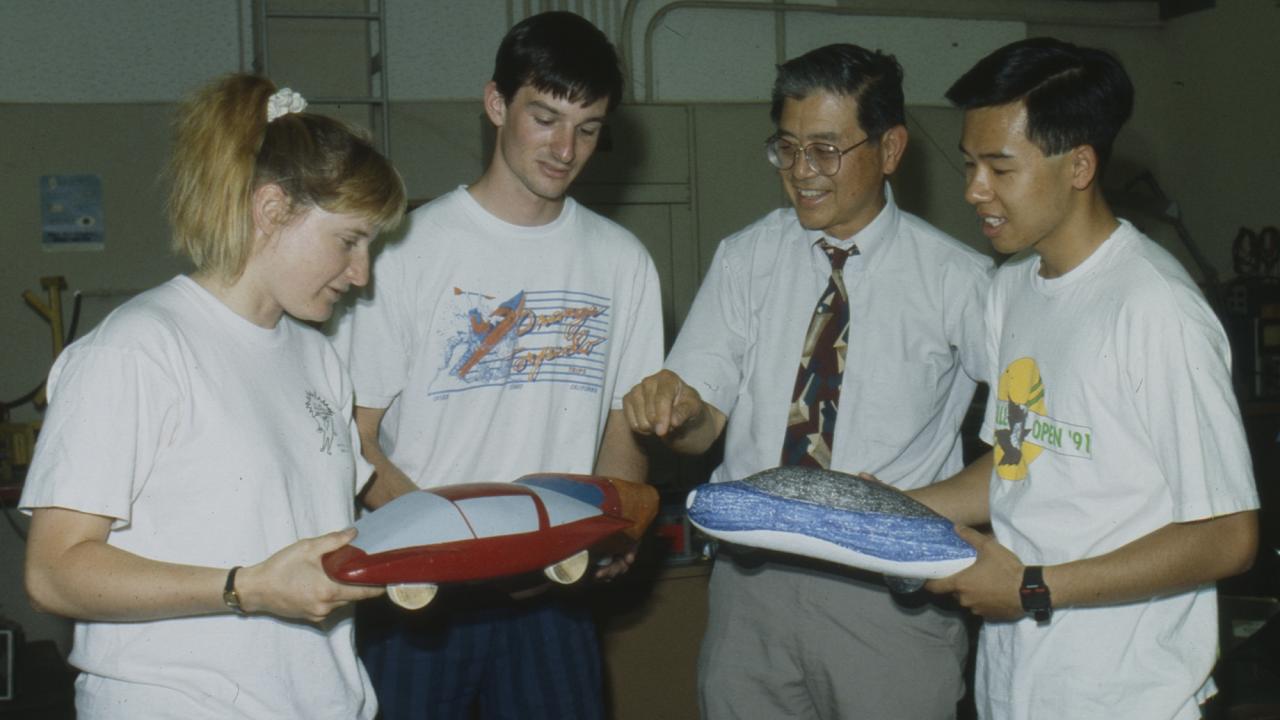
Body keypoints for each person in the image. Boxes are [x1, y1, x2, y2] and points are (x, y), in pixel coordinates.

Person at [19, 73, 406, 719]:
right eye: (348, 241)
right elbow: (54, 572)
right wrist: (245, 589)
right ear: (271, 210)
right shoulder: (138, 349)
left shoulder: (318, 359)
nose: (362, 276)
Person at [623, 44, 993, 719]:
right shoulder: (746, 258)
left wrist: (920, 506)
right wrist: (676, 411)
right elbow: (703, 423)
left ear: (890, 149)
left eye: (825, 150)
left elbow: (1037, 437)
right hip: (751, 596)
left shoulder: (959, 282)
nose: (801, 173)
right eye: (787, 149)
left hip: (887, 604)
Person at [908, 37, 1260, 718]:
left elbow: (1229, 534)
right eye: (970, 163)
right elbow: (1022, 461)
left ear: (1079, 165)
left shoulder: (1155, 309)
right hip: (1020, 683)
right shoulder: (1011, 290)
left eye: (1000, 167)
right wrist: (896, 508)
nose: (973, 189)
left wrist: (1036, 588)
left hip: (1126, 696)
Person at [332, 10, 663, 720]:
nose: (564, 147)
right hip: (420, 598)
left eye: (589, 127)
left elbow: (622, 426)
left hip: (553, 598)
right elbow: (353, 440)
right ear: (495, 104)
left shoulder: (621, 261)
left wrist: (613, 523)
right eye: (544, 117)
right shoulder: (405, 250)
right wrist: (461, 556)